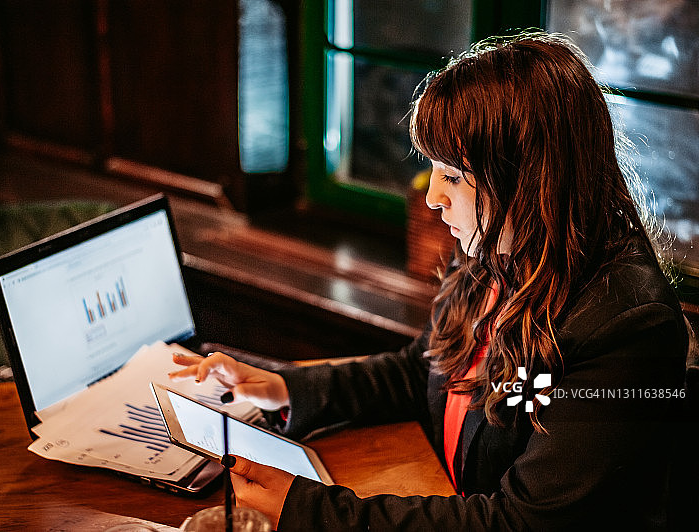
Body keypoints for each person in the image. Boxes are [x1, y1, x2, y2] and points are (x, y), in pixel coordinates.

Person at [169, 31, 691, 530]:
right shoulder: (503, 248)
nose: (432, 197)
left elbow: (522, 522)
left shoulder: (627, 326)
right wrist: (286, 386)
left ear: (532, 182)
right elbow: (424, 371)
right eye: (434, 168)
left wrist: (307, 512)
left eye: (455, 176)